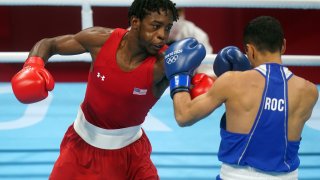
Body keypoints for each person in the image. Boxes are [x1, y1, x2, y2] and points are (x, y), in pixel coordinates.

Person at [10, 0, 205, 179]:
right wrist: (33, 66)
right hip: (80, 148)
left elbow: (187, 106)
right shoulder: (100, 41)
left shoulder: (163, 65)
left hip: (131, 156)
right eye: (155, 26)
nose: (162, 35)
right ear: (135, 22)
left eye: (167, 27)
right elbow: (49, 44)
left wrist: (200, 86)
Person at [164, 15, 319, 179]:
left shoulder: (232, 82)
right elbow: (273, 123)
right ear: (283, 45)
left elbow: (184, 115)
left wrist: (178, 76)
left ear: (250, 50)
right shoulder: (309, 92)